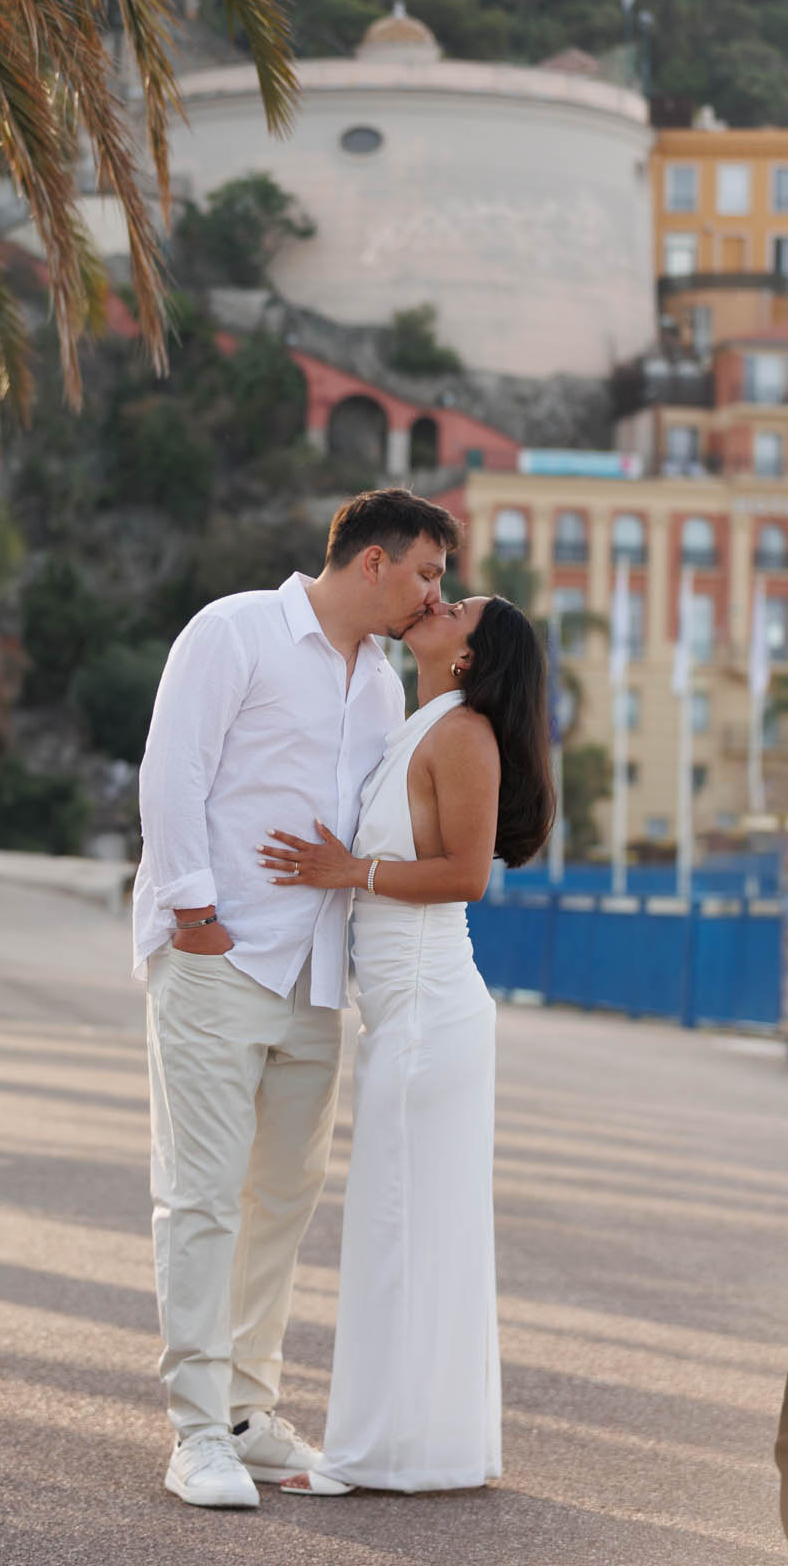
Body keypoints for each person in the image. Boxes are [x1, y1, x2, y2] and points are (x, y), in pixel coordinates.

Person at [134, 487, 461, 1510]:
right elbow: (172, 771)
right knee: (200, 1195)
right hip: (220, 958)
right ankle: (195, 1431)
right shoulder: (234, 630)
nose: (433, 593)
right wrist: (194, 914)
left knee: (279, 1200)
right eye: (426, 572)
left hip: (317, 980)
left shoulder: (381, 688)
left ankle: (245, 1411)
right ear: (373, 561)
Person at [259, 594, 554, 1498]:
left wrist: (351, 870)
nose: (436, 600)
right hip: (402, 1013)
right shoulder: (419, 721)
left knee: (397, 1228)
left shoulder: (463, 734)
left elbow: (465, 876)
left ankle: (372, 1455)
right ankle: (425, 1448)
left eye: (456, 606)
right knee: (409, 1229)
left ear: (468, 656)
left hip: (429, 1013)